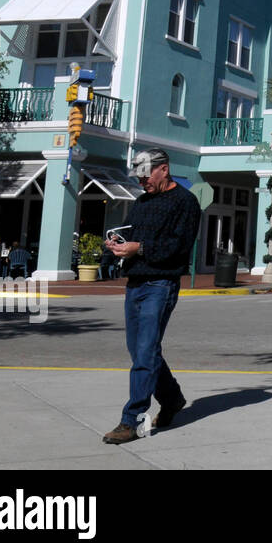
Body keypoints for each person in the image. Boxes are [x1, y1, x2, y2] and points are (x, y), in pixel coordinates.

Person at [101, 148, 201, 444]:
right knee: (141, 351)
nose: (142, 181)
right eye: (139, 176)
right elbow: (132, 234)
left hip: (161, 283)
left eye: (146, 175)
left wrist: (139, 248)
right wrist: (118, 243)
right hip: (135, 282)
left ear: (164, 169)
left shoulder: (185, 202)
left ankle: (131, 420)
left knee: (145, 351)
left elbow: (179, 247)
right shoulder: (142, 201)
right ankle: (172, 399)